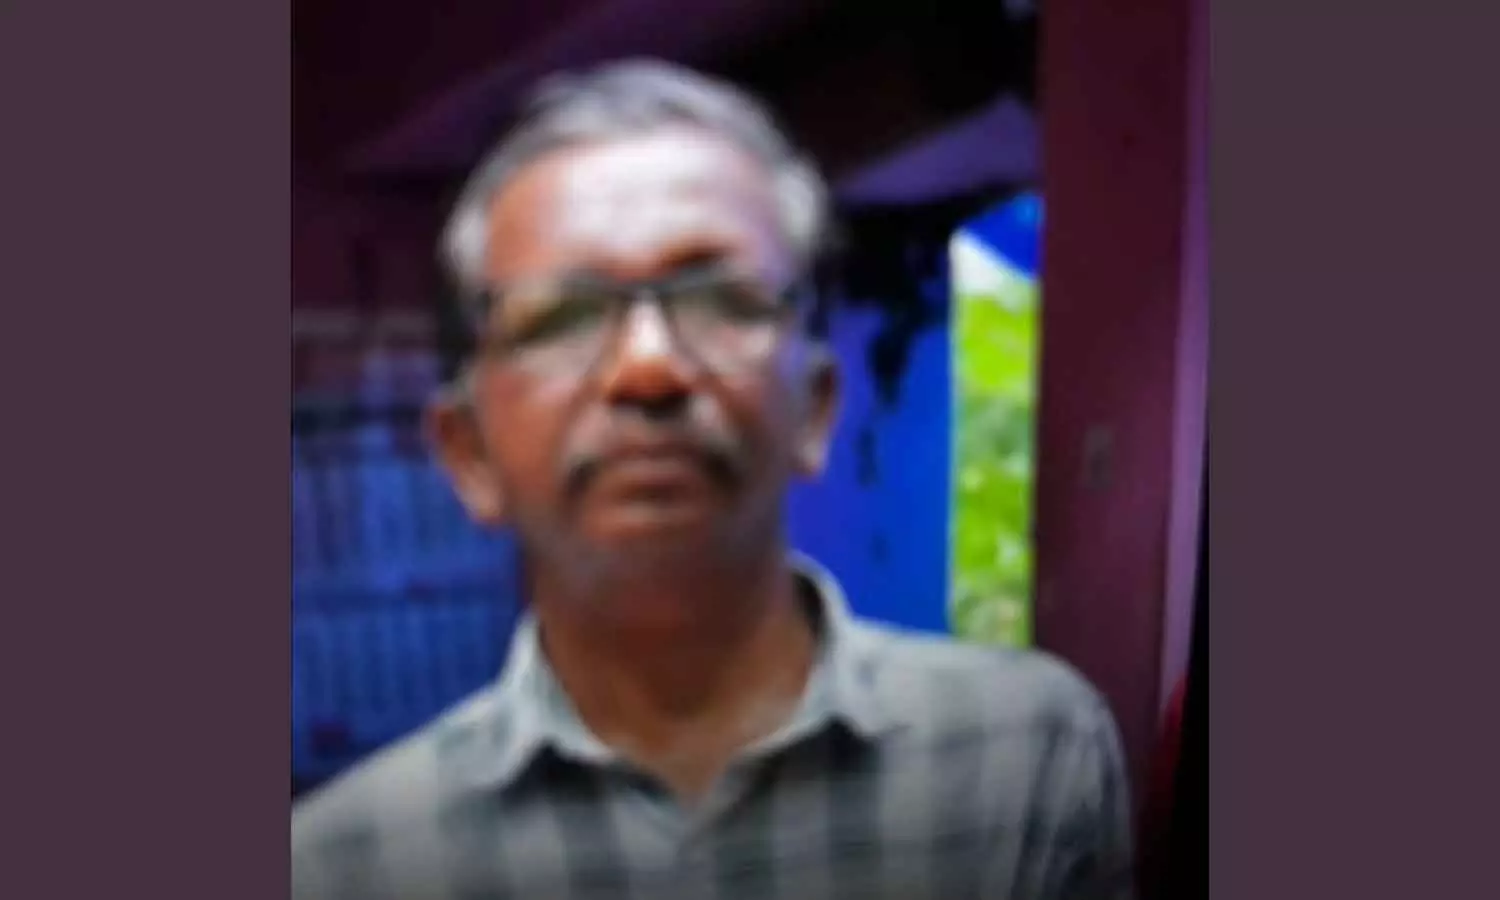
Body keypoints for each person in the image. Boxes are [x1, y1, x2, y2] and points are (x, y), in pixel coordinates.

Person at [292, 59, 1134, 900]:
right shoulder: (345, 865)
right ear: (469, 453)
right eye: (564, 315)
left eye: (718, 299)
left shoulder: (1026, 760)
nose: (648, 367)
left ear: (816, 407)